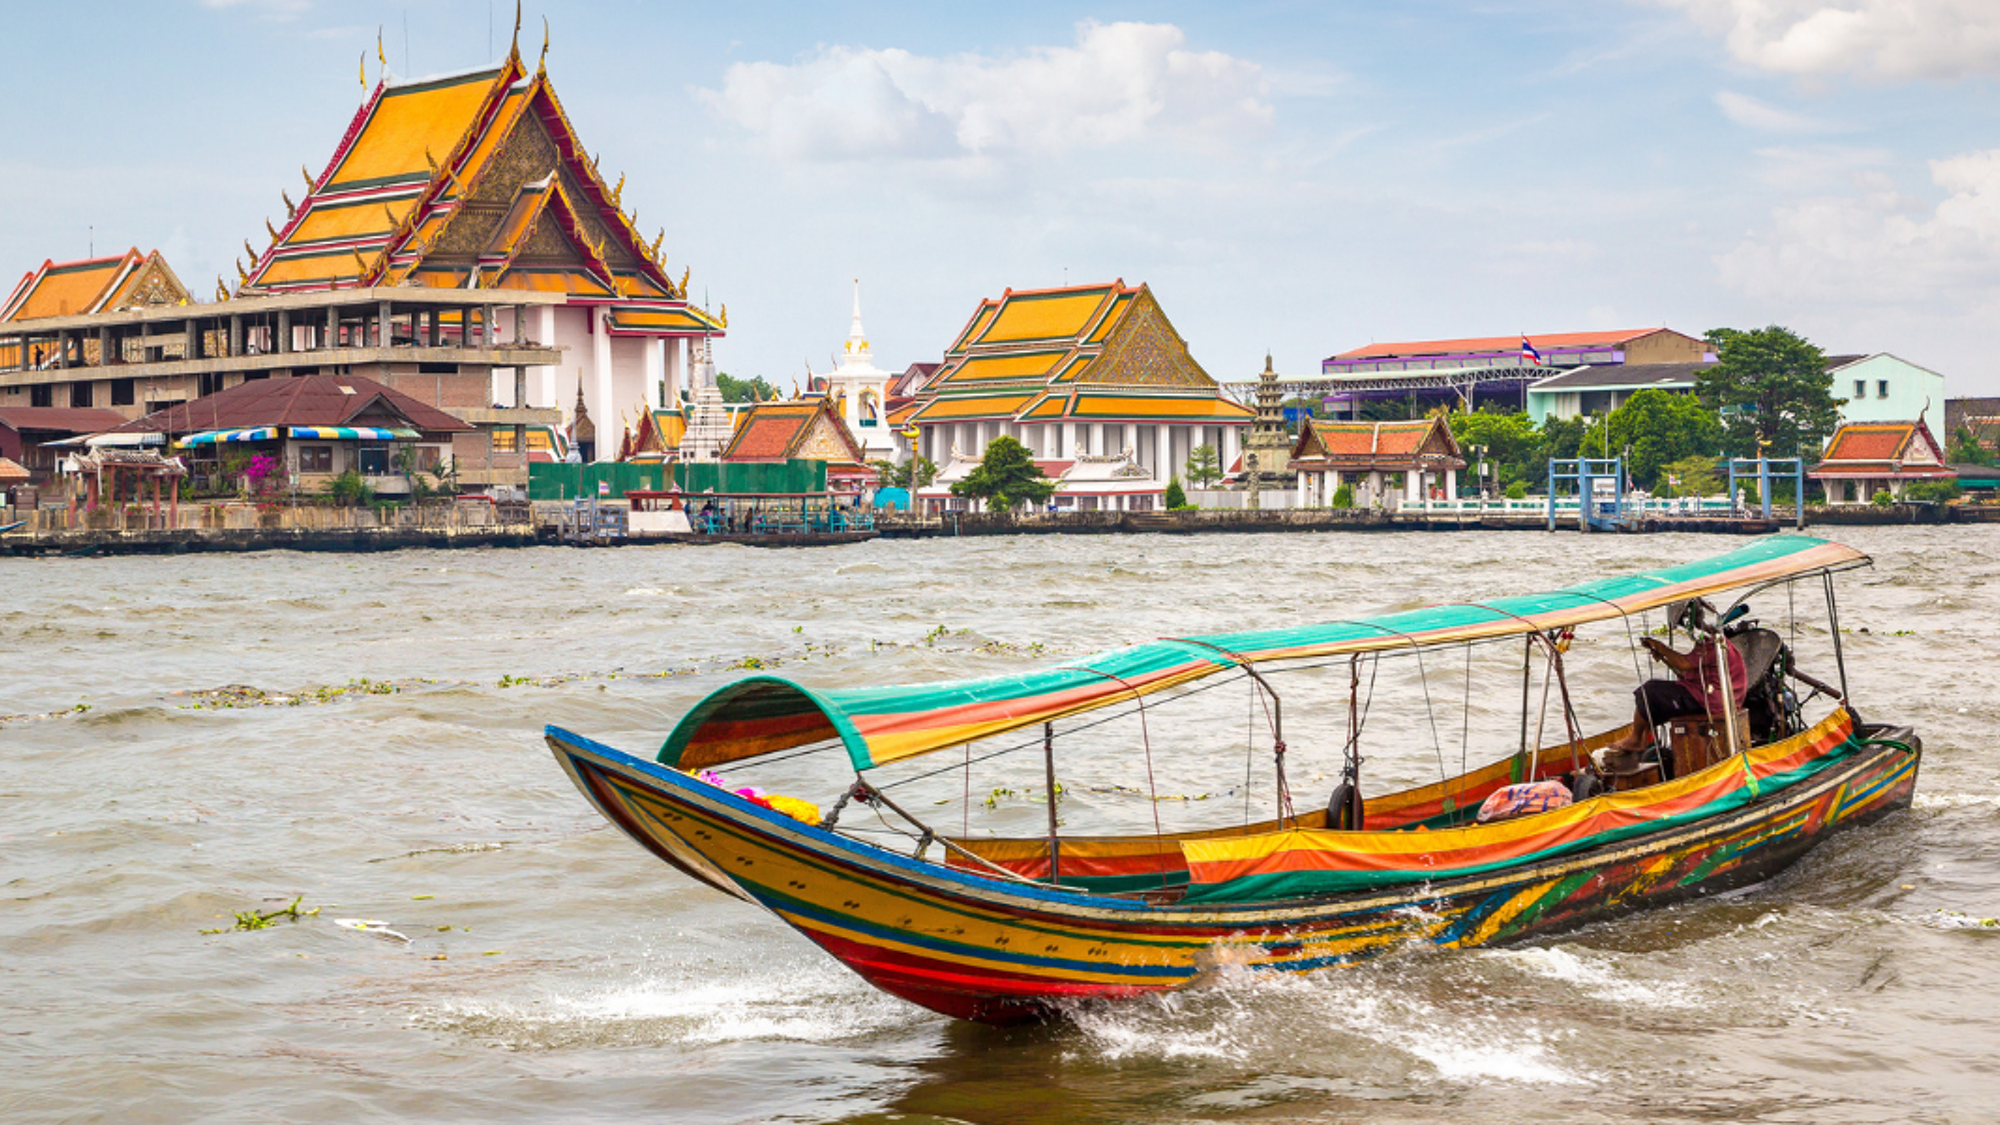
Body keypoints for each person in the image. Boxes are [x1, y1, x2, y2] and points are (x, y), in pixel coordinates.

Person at [1603, 601, 1748, 753]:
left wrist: (1660, 646)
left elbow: (1683, 664)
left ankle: (1635, 738)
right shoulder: (1710, 641)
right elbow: (1686, 673)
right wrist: (1664, 656)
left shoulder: (1711, 643)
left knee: (1648, 691)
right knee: (1657, 697)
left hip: (1712, 700)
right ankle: (1641, 739)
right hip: (1708, 694)